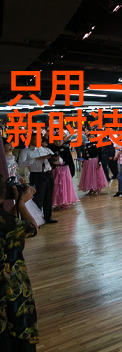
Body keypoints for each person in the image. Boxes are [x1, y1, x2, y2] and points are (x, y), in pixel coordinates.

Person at [0, 178, 39, 352]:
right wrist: (22, 202)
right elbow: (32, 228)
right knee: (15, 333)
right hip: (9, 285)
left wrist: (17, 205)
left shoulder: (5, 221)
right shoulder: (4, 221)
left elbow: (9, 224)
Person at [17, 135, 57, 224]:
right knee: (37, 197)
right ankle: (37, 219)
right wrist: (36, 159)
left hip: (48, 174)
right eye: (35, 139)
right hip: (37, 175)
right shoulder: (25, 151)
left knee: (48, 196)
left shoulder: (46, 150)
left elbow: (59, 160)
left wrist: (56, 159)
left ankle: (48, 217)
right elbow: (20, 164)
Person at [49, 139, 79, 209]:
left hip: (64, 169)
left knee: (63, 185)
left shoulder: (65, 148)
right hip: (55, 169)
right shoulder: (52, 148)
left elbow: (69, 160)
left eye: (59, 141)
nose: (58, 143)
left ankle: (63, 202)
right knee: (56, 186)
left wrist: (61, 162)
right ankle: (57, 202)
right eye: (56, 141)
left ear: (62, 141)